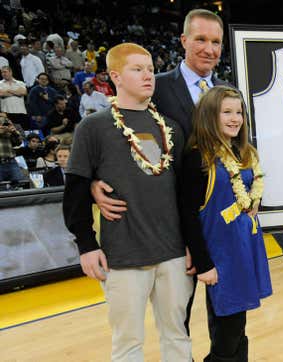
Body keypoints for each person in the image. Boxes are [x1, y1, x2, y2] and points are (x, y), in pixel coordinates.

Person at [89, 9, 233, 355]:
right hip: (173, 225)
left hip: (222, 220)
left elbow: (242, 149)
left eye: (215, 42)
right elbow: (113, 132)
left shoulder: (230, 91)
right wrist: (95, 181)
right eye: (200, 39)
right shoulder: (155, 86)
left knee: (229, 318)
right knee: (175, 323)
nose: (209, 49)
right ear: (183, 41)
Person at [63, 42, 193, 361]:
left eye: (150, 69)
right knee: (127, 342)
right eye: (138, 69)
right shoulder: (93, 127)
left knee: (177, 335)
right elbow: (76, 190)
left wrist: (192, 244)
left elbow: (184, 194)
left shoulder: (171, 128)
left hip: (173, 253)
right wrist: (86, 244)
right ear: (115, 76)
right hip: (122, 254)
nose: (148, 76)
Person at [179, 85, 272, 362]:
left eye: (239, 112)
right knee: (227, 331)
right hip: (220, 257)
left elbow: (248, 193)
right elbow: (188, 215)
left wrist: (255, 202)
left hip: (243, 249)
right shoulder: (198, 157)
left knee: (238, 328)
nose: (235, 118)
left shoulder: (241, 153)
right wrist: (204, 262)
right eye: (226, 112)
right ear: (209, 116)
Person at [0, 116, 24, 184]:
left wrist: (14, 132)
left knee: (20, 185)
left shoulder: (7, 125)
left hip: (11, 162)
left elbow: (19, 143)